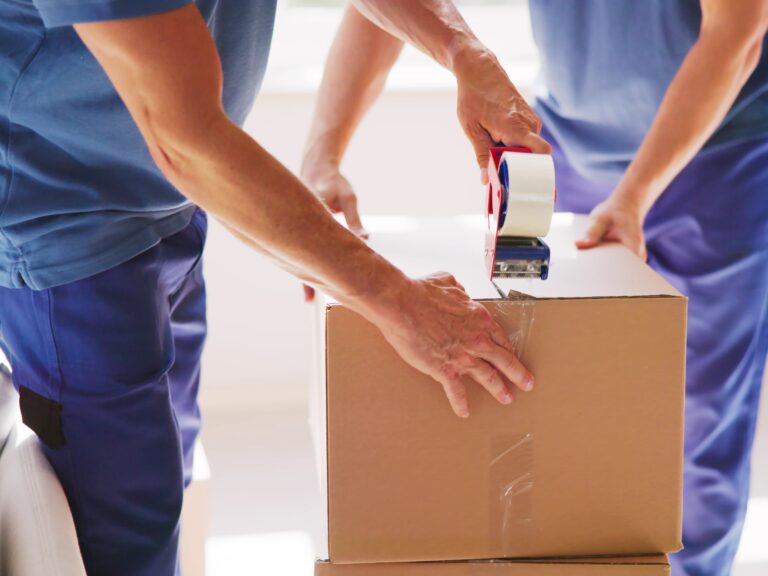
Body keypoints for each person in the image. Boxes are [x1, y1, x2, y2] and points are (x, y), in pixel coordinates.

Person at [0, 1, 551, 574]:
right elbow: (184, 142)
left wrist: (466, 51)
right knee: (125, 543)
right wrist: (399, 302)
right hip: (69, 235)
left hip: (170, 206)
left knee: (173, 474)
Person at [300, 2, 768, 576]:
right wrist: (323, 157)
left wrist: (636, 192)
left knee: (696, 431)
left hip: (716, 155)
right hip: (567, 148)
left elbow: (739, 33)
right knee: (558, 406)